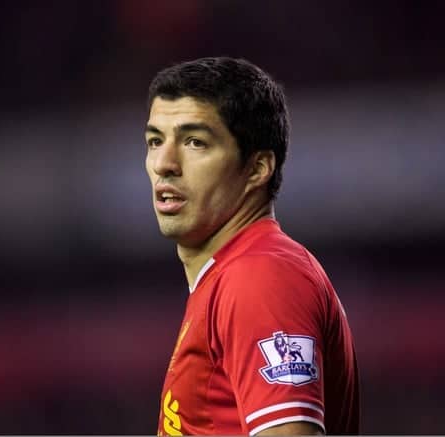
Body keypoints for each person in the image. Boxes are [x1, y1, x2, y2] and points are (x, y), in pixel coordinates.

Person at [144, 57, 360, 436]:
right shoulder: (227, 277)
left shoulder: (259, 276)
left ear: (258, 169)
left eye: (195, 142)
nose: (164, 163)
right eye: (155, 141)